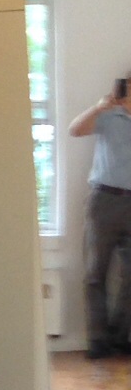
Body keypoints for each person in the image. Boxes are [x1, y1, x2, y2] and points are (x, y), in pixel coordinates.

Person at [69, 77, 131, 358]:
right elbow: (75, 130)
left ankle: (119, 338)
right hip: (104, 199)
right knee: (95, 273)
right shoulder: (107, 116)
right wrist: (98, 108)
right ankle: (98, 340)